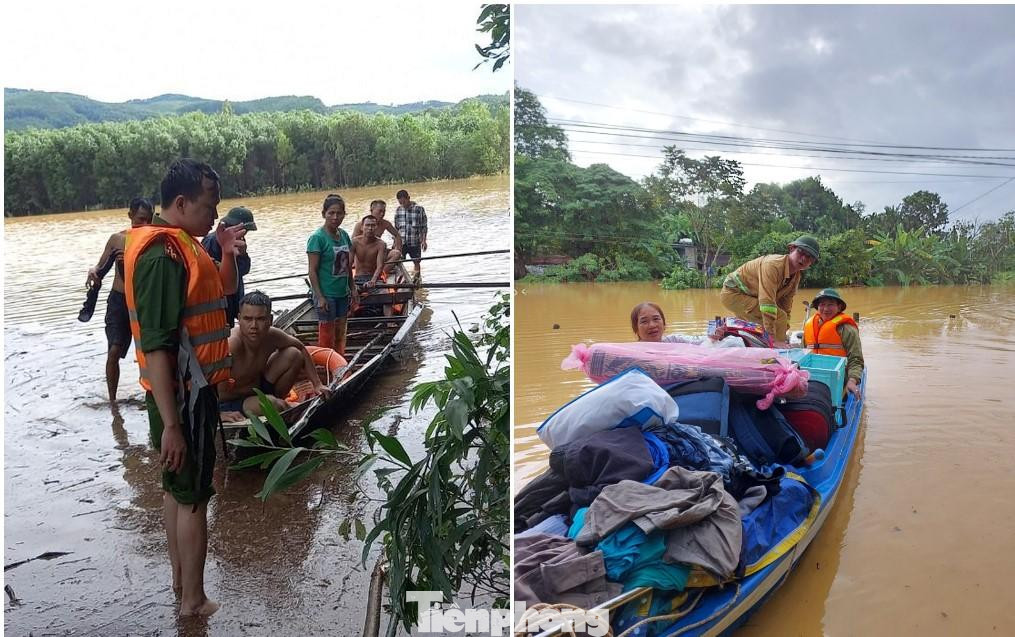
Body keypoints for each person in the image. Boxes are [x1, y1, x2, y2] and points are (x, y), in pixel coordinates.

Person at [124, 158, 246, 617]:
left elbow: (223, 288)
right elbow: (156, 345)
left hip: (183, 395)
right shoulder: (163, 255)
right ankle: (193, 601)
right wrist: (173, 424)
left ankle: (181, 586)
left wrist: (229, 251)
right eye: (209, 205)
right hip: (184, 397)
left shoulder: (184, 246)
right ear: (181, 203)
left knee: (176, 489)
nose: (216, 215)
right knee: (192, 494)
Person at [217, 291, 329, 421]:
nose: (253, 326)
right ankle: (276, 404)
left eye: (260, 319)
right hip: (229, 403)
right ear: (239, 319)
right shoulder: (232, 344)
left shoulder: (272, 336)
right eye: (248, 319)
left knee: (294, 354)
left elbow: (301, 348)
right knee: (272, 404)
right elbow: (203, 382)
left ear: (270, 320)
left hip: (258, 388)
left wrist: (317, 384)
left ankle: (277, 400)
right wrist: (218, 415)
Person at [86, 197, 154, 401]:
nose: (144, 225)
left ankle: (154, 395)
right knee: (114, 350)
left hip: (144, 301)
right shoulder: (117, 240)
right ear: (130, 216)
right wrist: (93, 273)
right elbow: (100, 269)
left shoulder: (155, 240)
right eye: (140, 219)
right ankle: (113, 402)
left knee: (152, 352)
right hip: (119, 301)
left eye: (149, 220)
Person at [719, 235, 820, 347]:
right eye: (801, 252)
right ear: (791, 249)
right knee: (777, 316)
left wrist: (784, 330)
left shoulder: (796, 277)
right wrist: (773, 339)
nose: (804, 259)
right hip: (733, 293)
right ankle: (773, 347)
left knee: (781, 316)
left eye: (810, 257)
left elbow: (786, 306)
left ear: (812, 262)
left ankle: (773, 343)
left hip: (751, 296)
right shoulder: (773, 265)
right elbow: (767, 303)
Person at [307, 194, 359, 356]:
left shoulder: (343, 235)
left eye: (339, 213)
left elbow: (347, 266)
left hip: (342, 292)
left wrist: (353, 288)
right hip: (326, 294)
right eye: (331, 213)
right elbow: (312, 271)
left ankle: (339, 362)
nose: (335, 217)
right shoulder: (317, 238)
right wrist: (320, 297)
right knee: (327, 334)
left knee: (341, 331)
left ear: (344, 214)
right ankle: (325, 366)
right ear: (324, 214)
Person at [803, 288, 864, 398]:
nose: (826, 309)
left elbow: (856, 359)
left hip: (838, 381)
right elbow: (802, 354)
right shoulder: (808, 326)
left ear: (839, 307)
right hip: (811, 379)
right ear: (817, 307)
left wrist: (852, 380)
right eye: (822, 304)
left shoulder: (847, 329)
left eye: (830, 305)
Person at [202, 206, 255, 328]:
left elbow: (243, 270)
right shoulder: (211, 241)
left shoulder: (238, 240)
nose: (245, 233)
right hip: (219, 303)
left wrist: (243, 254)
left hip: (234, 299)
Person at [394, 189, 427, 281]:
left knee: (416, 262)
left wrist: (424, 241)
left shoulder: (419, 209)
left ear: (408, 198)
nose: (403, 204)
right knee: (398, 262)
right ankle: (402, 281)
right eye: (400, 203)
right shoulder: (398, 210)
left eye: (404, 202)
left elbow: (423, 227)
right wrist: (395, 243)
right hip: (401, 242)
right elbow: (396, 228)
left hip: (414, 241)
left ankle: (417, 280)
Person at [352, 215, 387, 290]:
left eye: (373, 225)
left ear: (376, 227)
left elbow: (380, 266)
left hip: (375, 278)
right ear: (362, 227)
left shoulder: (381, 244)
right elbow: (347, 264)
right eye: (367, 225)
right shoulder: (354, 242)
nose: (370, 228)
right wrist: (351, 283)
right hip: (358, 278)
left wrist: (373, 280)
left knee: (383, 295)